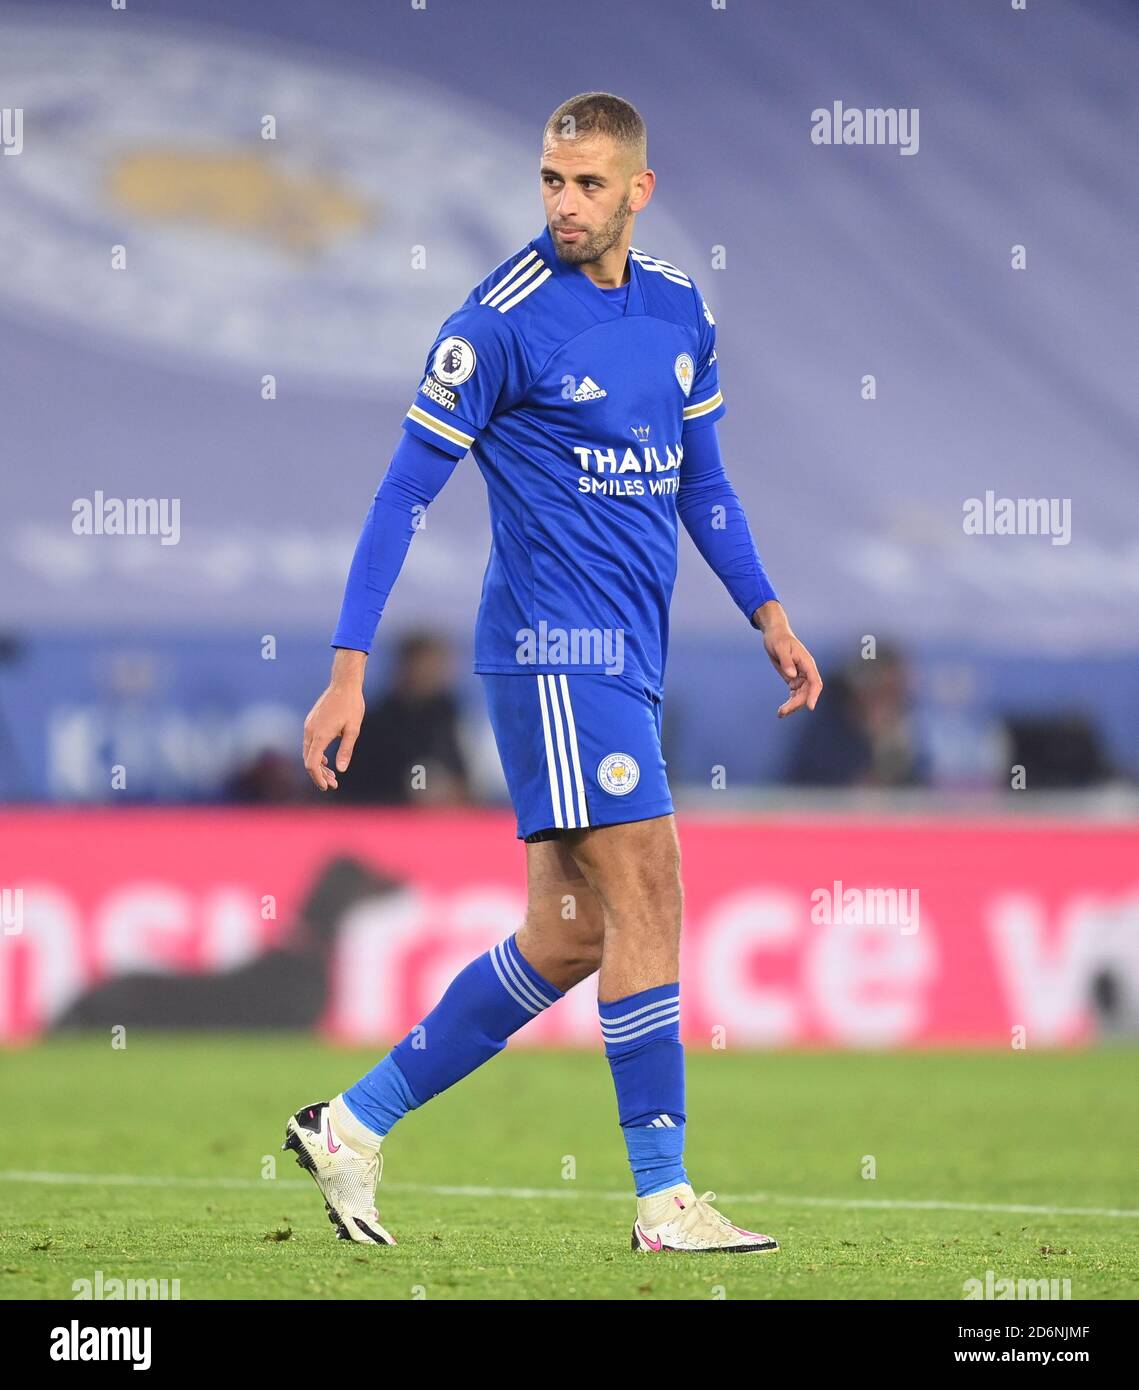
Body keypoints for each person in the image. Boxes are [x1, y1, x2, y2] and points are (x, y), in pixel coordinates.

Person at [291, 92, 822, 1253]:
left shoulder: (681, 307)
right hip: (550, 653)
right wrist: (346, 669)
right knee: (654, 885)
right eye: (548, 180)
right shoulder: (495, 323)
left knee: (574, 934)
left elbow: (704, 485)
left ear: (638, 189)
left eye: (586, 184)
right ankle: (663, 1199)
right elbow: (401, 493)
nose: (563, 203)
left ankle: (351, 1123)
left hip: (629, 654)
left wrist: (767, 610)